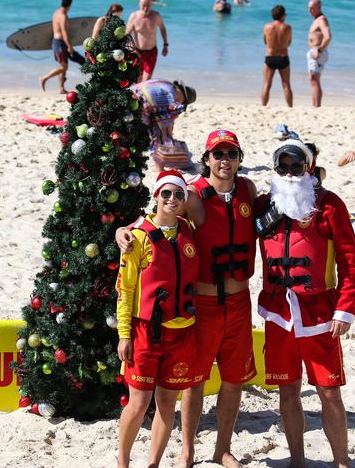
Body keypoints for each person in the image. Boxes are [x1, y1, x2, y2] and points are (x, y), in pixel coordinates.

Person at [117, 129, 258, 467]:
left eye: (231, 154)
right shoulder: (192, 194)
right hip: (205, 304)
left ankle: (222, 449)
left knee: (234, 380)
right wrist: (122, 231)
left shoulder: (248, 190)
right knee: (193, 381)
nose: (225, 161)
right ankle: (187, 452)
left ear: (239, 159)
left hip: (239, 301)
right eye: (218, 154)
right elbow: (158, 217)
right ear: (206, 159)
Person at [255, 139, 355, 468]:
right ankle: (297, 460)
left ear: (308, 168)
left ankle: (341, 461)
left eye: (295, 166)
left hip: (319, 314)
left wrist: (346, 308)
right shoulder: (263, 207)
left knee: (329, 392)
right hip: (278, 315)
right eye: (282, 166)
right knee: (287, 390)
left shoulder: (329, 205)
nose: (288, 173)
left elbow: (350, 261)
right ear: (275, 169)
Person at [115, 170, 200, 468]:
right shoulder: (137, 238)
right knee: (138, 404)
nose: (172, 200)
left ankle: (153, 463)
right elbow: (125, 290)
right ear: (156, 196)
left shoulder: (188, 230)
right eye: (166, 194)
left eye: (178, 194)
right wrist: (124, 335)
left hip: (182, 331)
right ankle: (122, 463)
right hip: (145, 332)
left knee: (167, 404)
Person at [130, 79, 197, 171]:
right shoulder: (170, 98)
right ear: (184, 98)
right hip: (137, 106)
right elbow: (163, 125)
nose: (180, 103)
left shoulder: (164, 83)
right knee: (161, 134)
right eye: (183, 102)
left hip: (130, 94)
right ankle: (159, 167)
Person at [126, 0, 169, 82]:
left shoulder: (156, 16)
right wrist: (126, 46)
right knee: (137, 80)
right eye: (143, 5)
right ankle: (137, 95)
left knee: (146, 80)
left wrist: (165, 45)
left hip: (151, 52)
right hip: (137, 52)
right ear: (139, 4)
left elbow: (162, 29)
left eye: (148, 5)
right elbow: (127, 33)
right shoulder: (134, 16)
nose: (146, 8)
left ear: (151, 5)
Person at [40, 0, 74, 94]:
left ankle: (61, 88)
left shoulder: (56, 13)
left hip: (56, 41)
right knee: (64, 67)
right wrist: (70, 46)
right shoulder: (63, 16)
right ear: (70, 5)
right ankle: (44, 78)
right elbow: (64, 32)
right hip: (60, 43)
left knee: (64, 65)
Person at [262, 5, 293, 107]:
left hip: (270, 57)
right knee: (286, 84)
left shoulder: (267, 27)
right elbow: (289, 42)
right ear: (283, 15)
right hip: (283, 57)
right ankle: (290, 107)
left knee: (267, 84)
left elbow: (265, 41)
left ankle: (264, 106)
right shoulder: (288, 27)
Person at [307, 0, 332, 107]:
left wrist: (319, 50)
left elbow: (328, 36)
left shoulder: (322, 19)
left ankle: (316, 106)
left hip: (318, 52)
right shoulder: (317, 20)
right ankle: (315, 105)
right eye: (308, 8)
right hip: (315, 51)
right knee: (313, 79)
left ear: (319, 7)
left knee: (314, 79)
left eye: (312, 8)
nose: (310, 10)